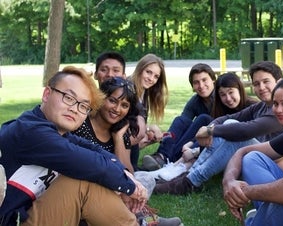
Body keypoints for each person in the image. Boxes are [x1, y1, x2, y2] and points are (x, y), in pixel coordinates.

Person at [0, 66, 148, 225]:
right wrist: (129, 187)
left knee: (91, 175)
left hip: (30, 212)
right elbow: (92, 164)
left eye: (83, 106)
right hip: (12, 221)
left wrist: (126, 176)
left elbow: (96, 151)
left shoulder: (60, 133)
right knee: (82, 182)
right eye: (69, 98)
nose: (75, 109)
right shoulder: (30, 131)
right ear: (47, 94)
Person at [153, 61, 283, 195]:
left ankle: (190, 182)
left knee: (236, 133)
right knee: (228, 123)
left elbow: (246, 130)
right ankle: (187, 175)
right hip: (256, 159)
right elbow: (228, 118)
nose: (261, 87)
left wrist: (210, 131)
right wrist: (209, 128)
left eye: (266, 81)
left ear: (280, 82)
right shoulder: (262, 106)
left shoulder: (282, 111)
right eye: (256, 84)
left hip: (276, 166)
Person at [72, 77, 182, 225]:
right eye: (112, 101)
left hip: (116, 187)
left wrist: (117, 138)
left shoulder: (120, 130)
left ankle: (140, 219)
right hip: (87, 188)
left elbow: (129, 173)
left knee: (145, 180)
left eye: (124, 105)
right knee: (122, 187)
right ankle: (142, 220)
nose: (117, 109)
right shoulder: (82, 124)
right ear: (101, 98)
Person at [222, 67, 283, 226]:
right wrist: (229, 182)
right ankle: (266, 213)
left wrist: (244, 192)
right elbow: (243, 151)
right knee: (252, 158)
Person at [149, 72, 259, 181]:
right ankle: (172, 163)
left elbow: (236, 139)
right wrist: (191, 143)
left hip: (244, 153)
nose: (228, 98)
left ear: (240, 90)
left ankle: (181, 167)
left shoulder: (252, 107)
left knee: (226, 126)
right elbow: (207, 129)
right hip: (214, 149)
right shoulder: (217, 107)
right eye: (223, 95)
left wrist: (195, 151)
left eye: (231, 92)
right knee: (202, 120)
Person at [142, 63, 217, 170]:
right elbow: (181, 127)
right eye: (196, 82)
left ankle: (170, 159)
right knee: (181, 121)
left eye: (204, 80)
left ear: (213, 80)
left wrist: (192, 145)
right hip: (196, 142)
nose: (201, 86)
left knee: (204, 119)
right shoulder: (195, 101)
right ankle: (162, 156)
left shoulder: (221, 96)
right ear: (192, 86)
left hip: (213, 139)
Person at [93, 51, 147, 170]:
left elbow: (140, 130)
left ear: (123, 76)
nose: (110, 75)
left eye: (115, 70)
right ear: (95, 74)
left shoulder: (129, 104)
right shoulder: (84, 103)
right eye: (104, 70)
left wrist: (120, 138)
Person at [129, 53, 169, 170]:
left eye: (156, 76)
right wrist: (148, 128)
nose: (151, 79)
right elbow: (126, 123)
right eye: (148, 72)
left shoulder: (144, 92)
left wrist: (147, 134)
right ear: (140, 69)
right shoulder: (128, 88)